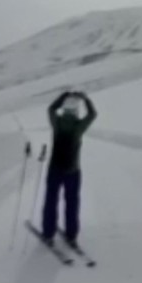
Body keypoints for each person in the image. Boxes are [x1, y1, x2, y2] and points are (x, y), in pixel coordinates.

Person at [41, 90, 97, 246]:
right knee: (72, 202)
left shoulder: (57, 123)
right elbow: (93, 114)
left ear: (64, 109)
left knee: (51, 200)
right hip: (73, 171)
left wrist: (63, 95)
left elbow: (51, 109)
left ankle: (48, 233)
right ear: (76, 111)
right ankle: (71, 235)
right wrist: (86, 98)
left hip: (55, 169)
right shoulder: (79, 126)